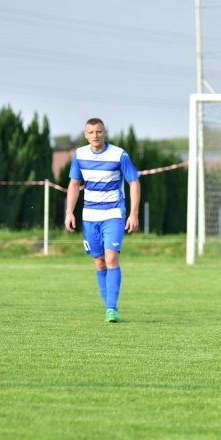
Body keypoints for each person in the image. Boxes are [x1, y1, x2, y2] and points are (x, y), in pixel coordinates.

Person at [65, 118, 141, 323]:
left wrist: (133, 213)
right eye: (91, 132)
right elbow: (74, 185)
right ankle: (108, 304)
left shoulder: (119, 155)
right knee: (99, 261)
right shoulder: (79, 155)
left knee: (110, 258)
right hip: (89, 216)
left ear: (104, 132)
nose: (95, 136)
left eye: (98, 131)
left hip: (113, 214)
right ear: (85, 134)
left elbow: (134, 182)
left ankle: (111, 308)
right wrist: (69, 212)